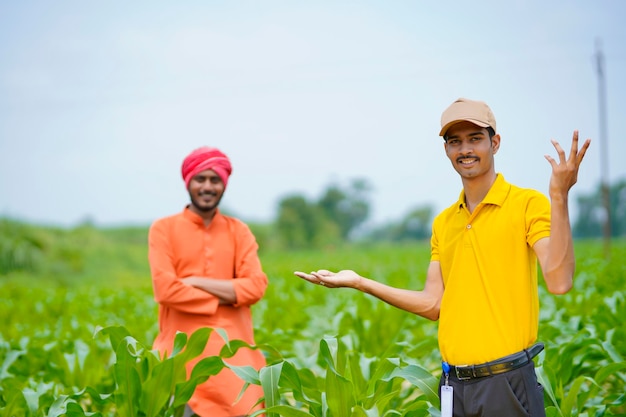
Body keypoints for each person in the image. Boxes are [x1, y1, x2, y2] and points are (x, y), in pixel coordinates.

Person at [294, 98, 591, 417]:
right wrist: (359, 282)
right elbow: (433, 304)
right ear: (447, 150)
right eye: (455, 141)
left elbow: (559, 281)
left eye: (475, 139)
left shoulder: (527, 205)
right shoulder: (444, 222)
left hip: (505, 383)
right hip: (454, 387)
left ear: (495, 143)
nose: (465, 149)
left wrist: (559, 196)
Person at [148, 146, 268, 417]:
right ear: (188, 182)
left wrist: (193, 281)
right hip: (182, 357)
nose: (207, 186)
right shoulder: (163, 229)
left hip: (234, 360)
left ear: (224, 185)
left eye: (215, 180)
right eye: (200, 179)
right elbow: (166, 290)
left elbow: (256, 286)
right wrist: (231, 294)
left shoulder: (239, 231)